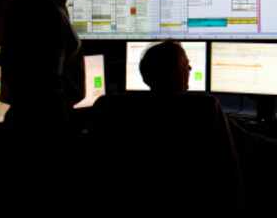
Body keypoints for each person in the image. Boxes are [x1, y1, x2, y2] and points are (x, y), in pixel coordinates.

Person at [92, 41, 244, 209]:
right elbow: (231, 169)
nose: (190, 69)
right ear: (177, 73)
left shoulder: (110, 107)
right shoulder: (204, 108)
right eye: (187, 65)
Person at [0, 0, 88, 201]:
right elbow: (45, 84)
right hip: (42, 132)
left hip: (40, 125)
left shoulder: (46, 3)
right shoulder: (41, 10)